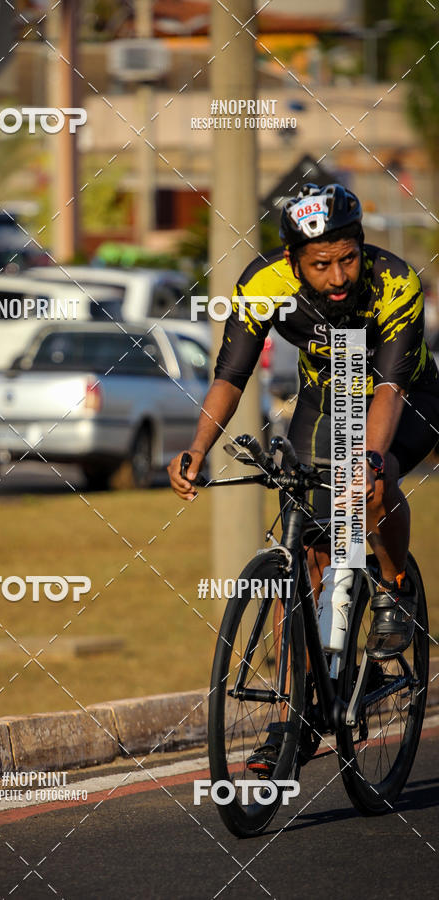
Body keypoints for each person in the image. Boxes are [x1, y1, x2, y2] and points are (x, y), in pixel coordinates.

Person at [168, 183, 439, 770]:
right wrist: (197, 448)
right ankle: (294, 719)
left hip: (406, 397)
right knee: (308, 553)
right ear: (293, 261)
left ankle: (394, 588)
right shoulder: (263, 283)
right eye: (321, 264)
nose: (338, 277)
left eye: (348, 258)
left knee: (374, 480)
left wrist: (367, 461)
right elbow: (231, 375)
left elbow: (390, 389)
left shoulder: (395, 282)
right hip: (327, 397)